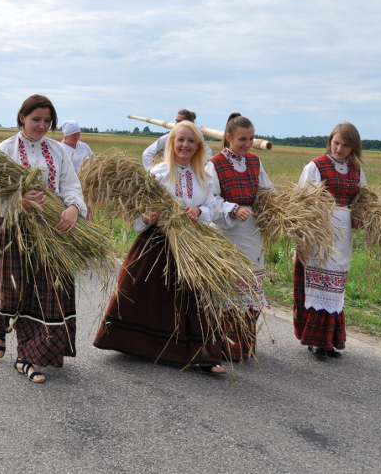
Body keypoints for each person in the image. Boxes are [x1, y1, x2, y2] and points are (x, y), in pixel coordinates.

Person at [94, 120, 226, 374]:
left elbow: (213, 206)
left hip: (193, 243)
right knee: (141, 289)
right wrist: (146, 217)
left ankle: (205, 356)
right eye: (180, 140)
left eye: (190, 140)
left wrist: (199, 210)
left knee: (197, 296)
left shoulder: (205, 176)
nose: (185, 145)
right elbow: (139, 210)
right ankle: (140, 345)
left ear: (198, 145)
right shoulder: (158, 173)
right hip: (158, 240)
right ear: (172, 143)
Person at [0, 95, 87, 384]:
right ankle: (0, 324)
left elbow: (71, 185)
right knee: (14, 291)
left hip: (53, 230)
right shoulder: (5, 149)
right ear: (22, 117)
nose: (42, 126)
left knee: (48, 292)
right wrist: (19, 201)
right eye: (36, 119)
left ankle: (27, 357)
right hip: (14, 230)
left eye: (47, 121)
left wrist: (72, 208)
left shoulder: (58, 150)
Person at [294, 122, 366, 360]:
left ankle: (330, 341)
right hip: (319, 232)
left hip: (342, 233)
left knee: (335, 286)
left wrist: (358, 217)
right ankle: (315, 341)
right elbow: (301, 202)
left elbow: (362, 200)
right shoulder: (316, 166)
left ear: (353, 147)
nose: (339, 148)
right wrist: (303, 237)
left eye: (345, 145)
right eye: (336, 142)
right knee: (318, 283)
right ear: (330, 141)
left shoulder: (355, 169)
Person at [206, 113, 272, 361]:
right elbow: (210, 200)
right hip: (227, 233)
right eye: (242, 139)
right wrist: (233, 209)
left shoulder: (255, 162)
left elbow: (265, 191)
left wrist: (276, 206)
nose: (247, 144)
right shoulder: (216, 164)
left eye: (251, 138)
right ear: (228, 138)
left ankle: (244, 346)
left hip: (252, 232)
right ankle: (223, 346)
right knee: (228, 291)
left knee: (250, 288)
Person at [142, 109, 213, 169]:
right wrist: (151, 172)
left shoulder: (198, 140)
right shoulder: (168, 138)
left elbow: (208, 157)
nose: (176, 124)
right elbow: (147, 154)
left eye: (179, 121)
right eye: (176, 121)